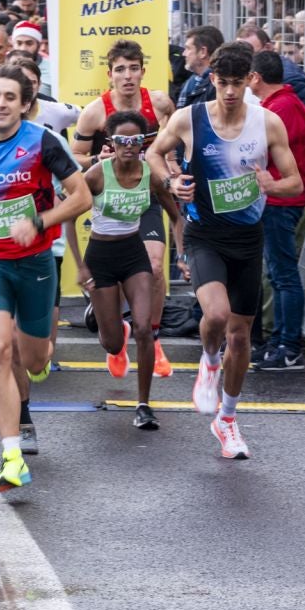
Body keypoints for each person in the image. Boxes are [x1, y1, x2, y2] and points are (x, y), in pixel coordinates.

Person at [147, 43, 303, 460]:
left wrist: (271, 185)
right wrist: (171, 183)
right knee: (215, 315)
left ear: (250, 80)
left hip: (248, 238)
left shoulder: (267, 123)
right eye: (223, 83)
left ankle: (228, 420)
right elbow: (154, 154)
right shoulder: (189, 119)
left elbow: (295, 182)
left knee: (241, 335)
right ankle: (208, 362)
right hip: (204, 234)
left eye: (238, 82)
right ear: (212, 79)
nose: (230, 91)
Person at [0, 68, 91, 493]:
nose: (2, 103)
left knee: (35, 359)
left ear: (25, 104)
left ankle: (36, 367)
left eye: (11, 97)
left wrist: (39, 221)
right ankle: (11, 455)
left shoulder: (42, 142)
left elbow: (81, 197)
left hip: (37, 263)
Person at [65, 111, 180, 430]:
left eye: (134, 141)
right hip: (100, 255)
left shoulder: (150, 175)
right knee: (112, 344)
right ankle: (115, 327)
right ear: (111, 143)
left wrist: (182, 254)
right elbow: (68, 217)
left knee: (145, 328)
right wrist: (80, 264)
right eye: (121, 141)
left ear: (143, 143)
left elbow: (175, 216)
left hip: (133, 253)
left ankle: (144, 405)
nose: (128, 147)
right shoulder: (97, 175)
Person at [71, 41, 178, 380]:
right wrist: (96, 160)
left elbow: (173, 147)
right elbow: (74, 158)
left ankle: (154, 339)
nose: (127, 76)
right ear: (110, 74)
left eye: (134, 68)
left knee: (157, 268)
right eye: (120, 69)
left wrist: (169, 173)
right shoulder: (95, 112)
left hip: (145, 194)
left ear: (143, 71)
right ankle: (118, 334)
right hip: (110, 198)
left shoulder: (159, 103)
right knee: (115, 281)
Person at [246, 48, 305, 371]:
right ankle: (279, 343)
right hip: (276, 198)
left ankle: (289, 345)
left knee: (283, 273)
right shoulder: (281, 104)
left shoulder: (283, 107)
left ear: (256, 78)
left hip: (280, 200)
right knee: (276, 272)